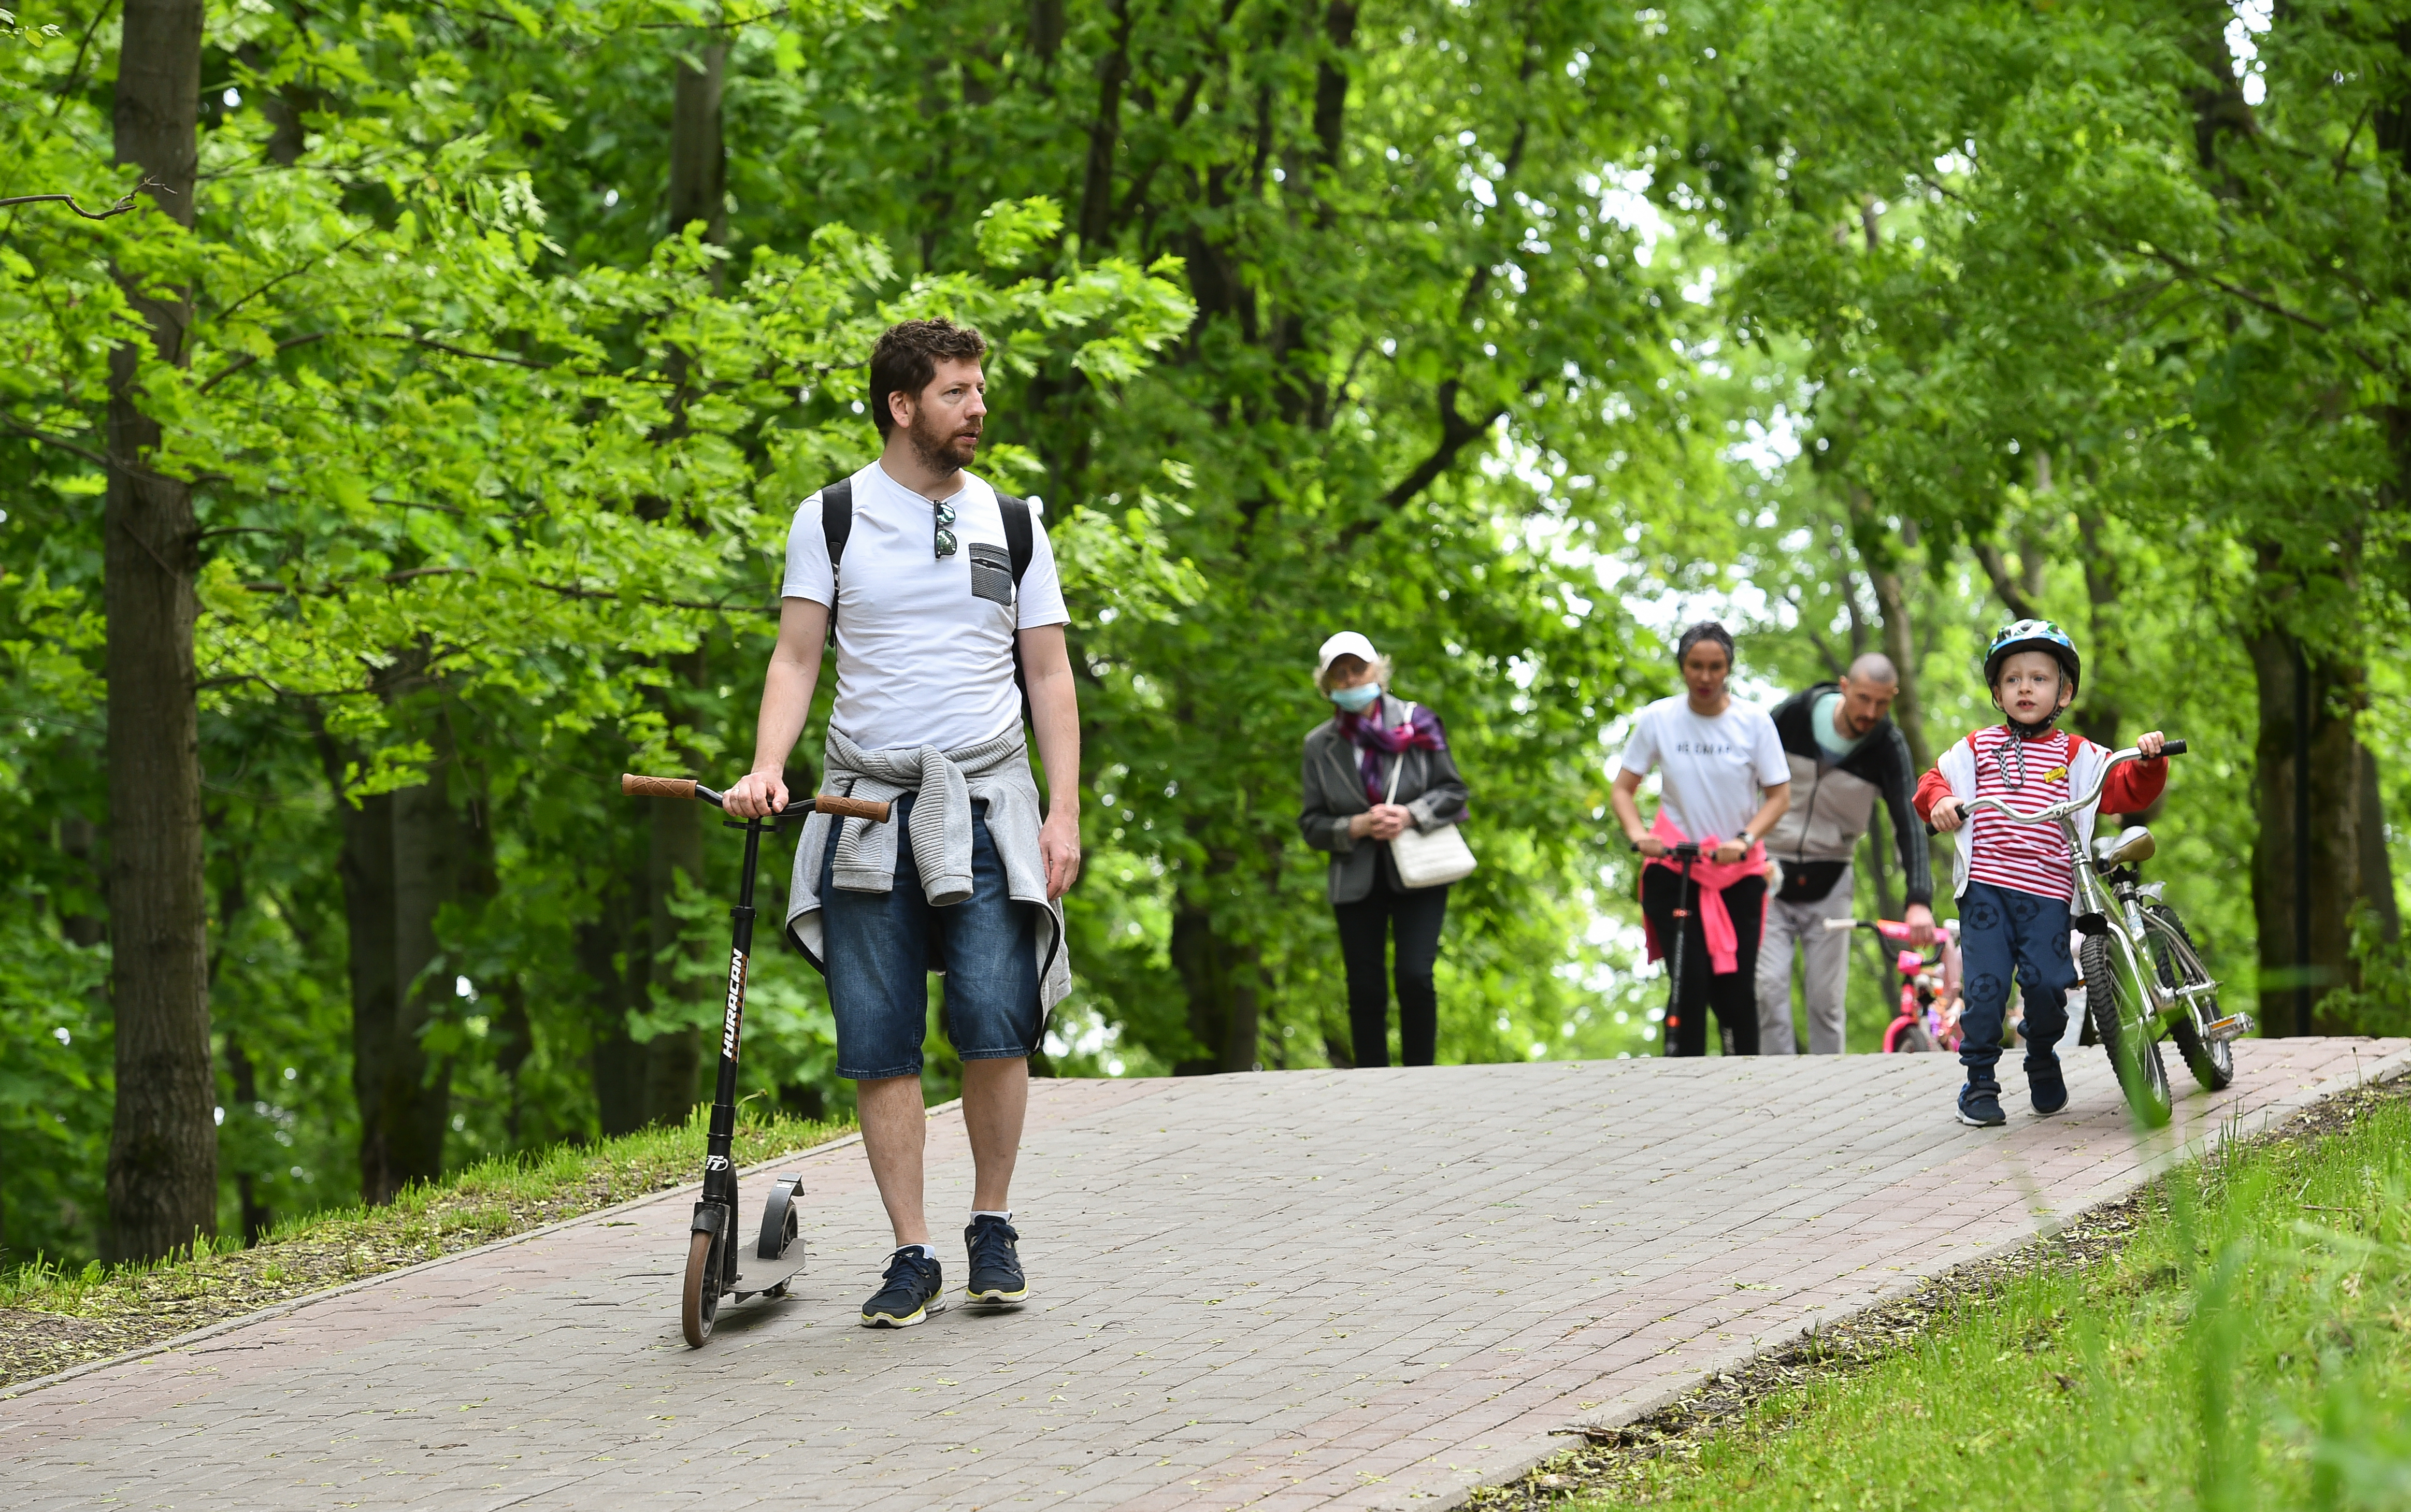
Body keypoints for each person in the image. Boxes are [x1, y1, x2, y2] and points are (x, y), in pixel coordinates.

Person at [723, 318, 1084, 1327]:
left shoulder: (1012, 524)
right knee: (878, 1039)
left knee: (991, 1019)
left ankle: (991, 1223)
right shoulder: (831, 517)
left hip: (987, 802)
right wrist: (764, 767)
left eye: (977, 389)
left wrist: (1061, 810)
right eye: (957, 392)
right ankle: (910, 1250)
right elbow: (796, 658)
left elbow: (1048, 672)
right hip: (864, 807)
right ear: (900, 405)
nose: (978, 408)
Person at [1914, 620, 2167, 1127]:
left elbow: (2124, 791)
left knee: (2049, 986)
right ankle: (1979, 1084)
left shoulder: (2077, 754)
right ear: (1996, 692)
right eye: (2012, 679)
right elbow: (1931, 783)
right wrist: (1940, 802)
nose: (2025, 688)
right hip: (1985, 891)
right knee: (1984, 990)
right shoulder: (1976, 748)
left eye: (2038, 678)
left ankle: (2041, 1056)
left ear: (2064, 692)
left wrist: (2146, 761)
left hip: (2048, 893)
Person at [1612, 622, 1792, 1057]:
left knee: (1735, 988)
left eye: (1716, 667)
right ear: (1683, 667)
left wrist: (1746, 839)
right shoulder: (1659, 718)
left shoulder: (1753, 721)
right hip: (1676, 868)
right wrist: (1640, 836)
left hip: (1738, 873)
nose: (1706, 677)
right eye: (1696, 666)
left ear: (1729, 668)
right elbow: (1623, 788)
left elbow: (1780, 795)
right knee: (1689, 980)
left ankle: (1743, 1071)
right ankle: (1683, 1078)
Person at [1299, 631, 1471, 1068]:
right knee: (1365, 986)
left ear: (1379, 670)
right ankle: (1371, 1084)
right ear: (1328, 686)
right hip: (1356, 876)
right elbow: (1312, 825)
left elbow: (1453, 792)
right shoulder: (1319, 746)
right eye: (1340, 673)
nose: (1352, 678)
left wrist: (1409, 815)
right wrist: (1354, 826)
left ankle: (1421, 1078)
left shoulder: (1418, 722)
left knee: (1415, 975)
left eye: (1358, 668)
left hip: (1421, 866)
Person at [1755, 654, 1937, 1055]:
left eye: (1882, 703)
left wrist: (1919, 900)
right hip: (1769, 871)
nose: (1871, 712)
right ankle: (1774, 1093)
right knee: (1767, 991)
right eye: (1863, 699)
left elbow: (1909, 822)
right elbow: (1740, 776)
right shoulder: (1792, 716)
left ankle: (1827, 1099)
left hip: (1831, 879)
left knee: (1825, 1003)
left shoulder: (1887, 746)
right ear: (1844, 687)